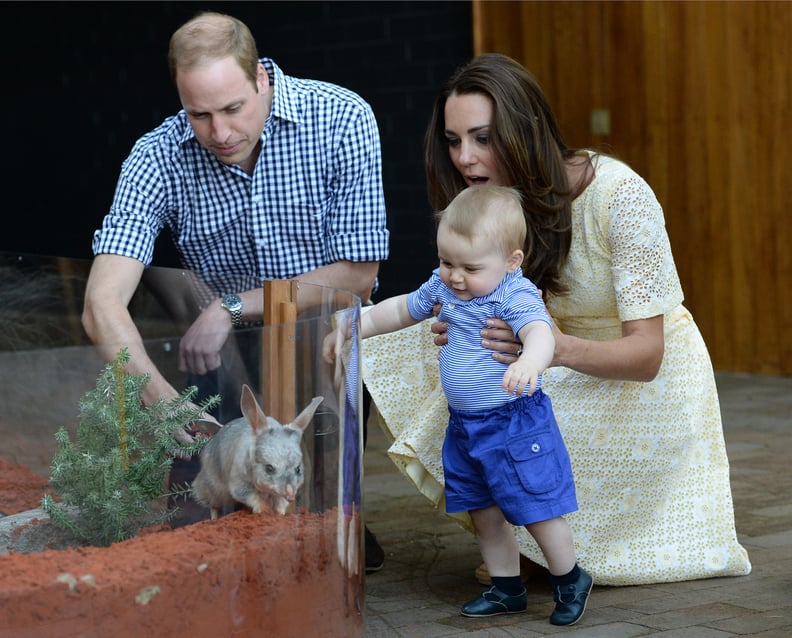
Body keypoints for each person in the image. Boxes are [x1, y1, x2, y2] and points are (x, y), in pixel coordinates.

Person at [360, 52, 752, 586]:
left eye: (483, 137)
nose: (465, 158)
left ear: (525, 131)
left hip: (638, 380)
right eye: (453, 141)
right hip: (549, 353)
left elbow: (648, 356)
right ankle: (517, 533)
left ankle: (543, 540)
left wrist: (549, 351)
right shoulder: (490, 205)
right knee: (413, 346)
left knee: (511, 400)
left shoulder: (620, 196)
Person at [81, 11, 388, 571]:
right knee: (203, 523)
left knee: (323, 539)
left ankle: (337, 522)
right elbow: (101, 305)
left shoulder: (342, 117)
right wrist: (161, 401)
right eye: (199, 114)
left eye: (233, 109)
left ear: (262, 79)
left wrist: (232, 305)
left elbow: (358, 274)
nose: (219, 133)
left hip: (323, 340)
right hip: (226, 358)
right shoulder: (157, 156)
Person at [326, 185, 591, 624]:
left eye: (470, 267)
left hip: (514, 424)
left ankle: (570, 578)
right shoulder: (444, 288)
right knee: (483, 511)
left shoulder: (513, 294)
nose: (456, 276)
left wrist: (530, 360)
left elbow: (540, 333)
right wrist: (354, 324)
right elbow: (398, 311)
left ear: (511, 261)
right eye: (447, 262)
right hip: (466, 426)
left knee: (536, 508)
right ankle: (506, 587)